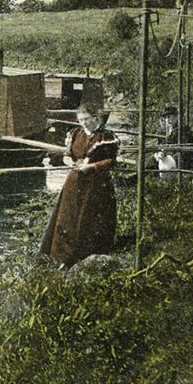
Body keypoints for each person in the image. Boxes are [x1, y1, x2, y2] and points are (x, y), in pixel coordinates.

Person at [40, 103, 120, 267]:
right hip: (75, 182)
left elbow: (111, 162)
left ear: (96, 118)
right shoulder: (76, 134)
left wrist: (91, 167)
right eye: (81, 119)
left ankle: (88, 256)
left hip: (97, 184)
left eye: (86, 119)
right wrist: (72, 162)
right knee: (68, 218)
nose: (83, 122)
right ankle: (63, 257)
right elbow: (67, 155)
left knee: (90, 219)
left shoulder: (106, 137)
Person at [154, 106, 193, 171]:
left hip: (184, 157)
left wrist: (168, 152)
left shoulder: (183, 129)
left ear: (176, 117)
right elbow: (161, 145)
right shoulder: (165, 131)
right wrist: (159, 152)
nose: (168, 120)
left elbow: (185, 147)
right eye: (166, 118)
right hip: (169, 156)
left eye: (170, 116)